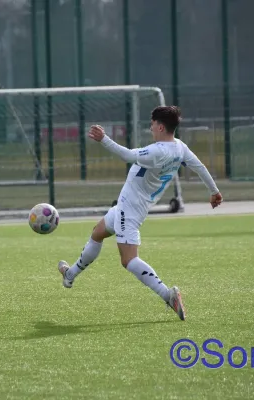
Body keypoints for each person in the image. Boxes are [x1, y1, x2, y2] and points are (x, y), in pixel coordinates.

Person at [57, 106, 222, 321]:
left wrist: (104, 139)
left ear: (160, 127)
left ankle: (168, 295)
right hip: (130, 206)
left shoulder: (158, 151)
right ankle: (70, 275)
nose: (150, 128)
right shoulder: (179, 148)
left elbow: (127, 155)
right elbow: (199, 167)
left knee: (129, 260)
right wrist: (214, 191)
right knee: (97, 233)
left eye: (152, 124)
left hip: (129, 210)